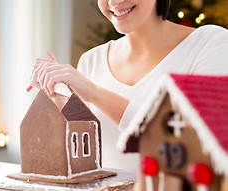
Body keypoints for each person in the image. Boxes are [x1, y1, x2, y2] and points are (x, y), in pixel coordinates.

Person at [29, 0, 228, 171]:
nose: (114, 2)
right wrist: (58, 96)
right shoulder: (91, 60)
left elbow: (192, 145)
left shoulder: (210, 45)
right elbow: (78, 158)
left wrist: (95, 93)